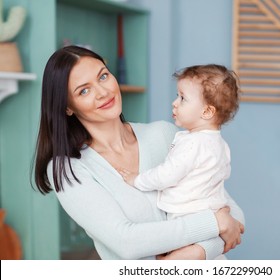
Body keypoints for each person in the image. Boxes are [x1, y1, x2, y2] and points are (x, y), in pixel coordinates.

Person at [33, 45, 245, 260]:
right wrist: (214, 223)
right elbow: (127, 242)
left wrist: (199, 252)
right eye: (84, 90)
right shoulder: (69, 169)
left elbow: (233, 214)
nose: (103, 92)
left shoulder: (166, 134)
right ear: (67, 107)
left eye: (103, 76)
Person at [119, 64, 239, 219]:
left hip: (186, 214)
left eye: (183, 98)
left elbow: (166, 175)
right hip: (210, 211)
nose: (174, 103)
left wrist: (137, 180)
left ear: (207, 111)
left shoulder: (192, 144)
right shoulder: (221, 145)